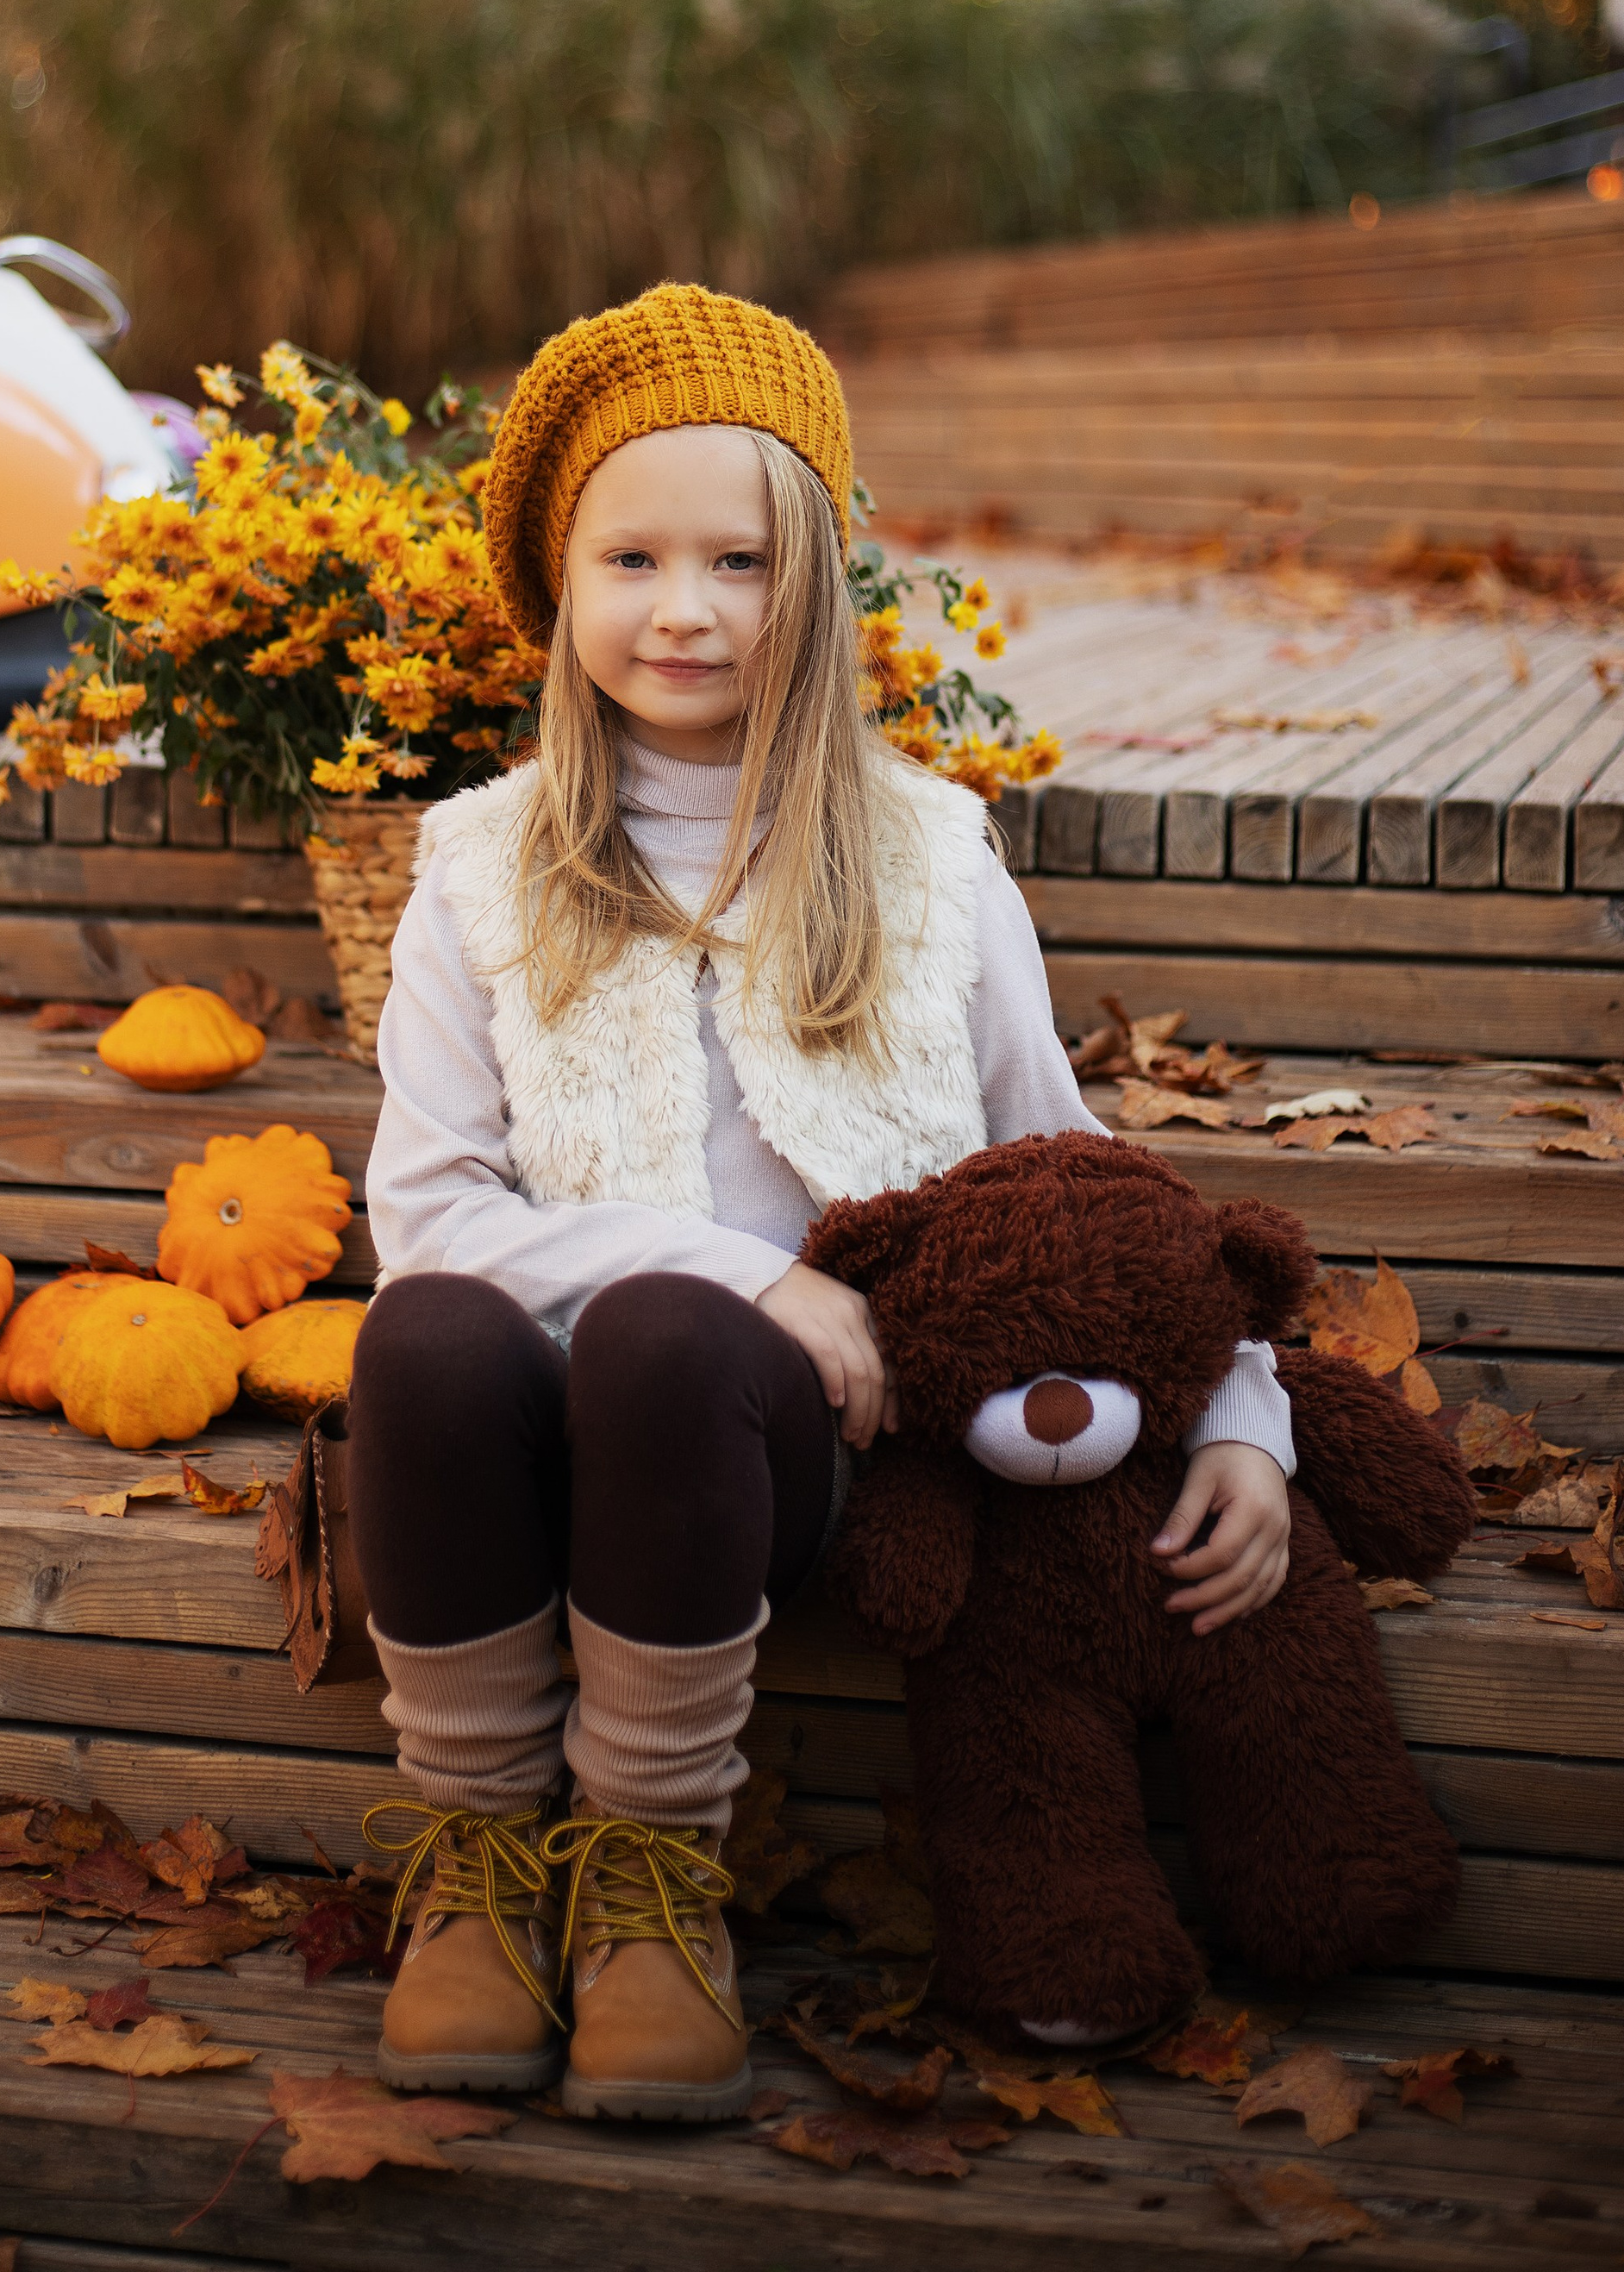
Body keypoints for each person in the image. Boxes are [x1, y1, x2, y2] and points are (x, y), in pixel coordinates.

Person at [347, 284, 1293, 2123]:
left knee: (665, 1336)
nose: (684, 610)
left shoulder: (927, 854)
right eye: (631, 558)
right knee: (436, 1332)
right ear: (561, 584)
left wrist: (1241, 1409)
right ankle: (477, 1864)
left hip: (772, 1456)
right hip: (516, 1446)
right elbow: (431, 1215)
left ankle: (650, 1875)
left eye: (740, 561)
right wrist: (737, 1264)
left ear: (819, 584)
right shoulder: (477, 867)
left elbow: (1067, 1174)